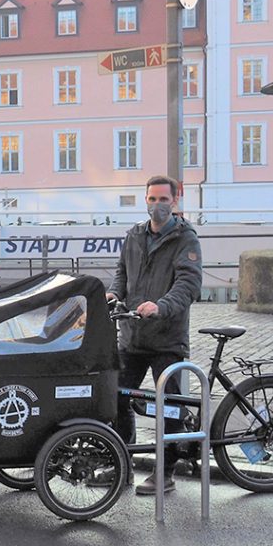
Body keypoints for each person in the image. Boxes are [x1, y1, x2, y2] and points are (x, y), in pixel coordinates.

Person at [107, 175, 203, 495]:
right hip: (132, 335)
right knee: (116, 396)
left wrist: (161, 306)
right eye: (152, 199)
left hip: (166, 337)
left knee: (169, 406)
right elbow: (122, 274)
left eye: (164, 200)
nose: (157, 205)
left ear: (175, 202)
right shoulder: (134, 234)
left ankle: (165, 472)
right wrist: (113, 294)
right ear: (144, 200)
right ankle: (121, 465)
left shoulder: (185, 238)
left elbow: (188, 285)